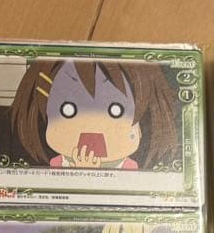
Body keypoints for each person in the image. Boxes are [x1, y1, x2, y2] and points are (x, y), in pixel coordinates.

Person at [10, 58, 179, 170]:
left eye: (116, 111)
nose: (92, 126)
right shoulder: (57, 163)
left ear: (141, 129)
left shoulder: (129, 167)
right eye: (67, 110)